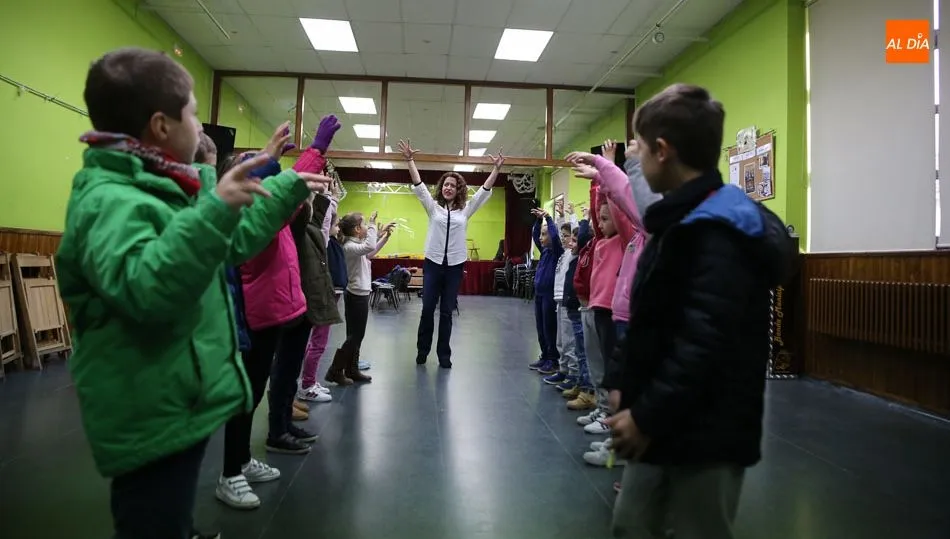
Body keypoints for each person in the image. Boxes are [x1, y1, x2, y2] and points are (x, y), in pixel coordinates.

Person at [55, 48, 330, 539]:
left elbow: (239, 240)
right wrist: (215, 208)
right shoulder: (108, 199)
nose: (200, 125)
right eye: (193, 113)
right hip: (145, 405)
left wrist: (286, 188)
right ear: (161, 126)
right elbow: (147, 289)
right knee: (150, 514)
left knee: (171, 511)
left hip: (179, 391)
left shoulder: (177, 187)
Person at [603, 83, 792, 538]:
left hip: (706, 431)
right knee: (632, 525)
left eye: (641, 149)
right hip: (662, 419)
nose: (638, 161)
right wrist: (620, 380)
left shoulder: (720, 232)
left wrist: (646, 416)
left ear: (662, 151)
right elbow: (652, 315)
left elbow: (704, 342)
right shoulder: (678, 221)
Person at [216, 116, 342, 510]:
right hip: (260, 312)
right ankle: (229, 474)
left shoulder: (264, 211)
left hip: (275, 310)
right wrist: (315, 152)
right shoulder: (251, 213)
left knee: (253, 392)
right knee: (246, 394)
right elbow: (288, 189)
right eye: (256, 168)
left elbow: (288, 192)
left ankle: (239, 460)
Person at [397, 139, 505, 368]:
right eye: (445, 184)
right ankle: (422, 350)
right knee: (427, 309)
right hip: (433, 264)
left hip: (455, 265)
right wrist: (410, 160)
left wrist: (496, 169)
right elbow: (419, 186)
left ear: (458, 191)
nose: (448, 188)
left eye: (452, 186)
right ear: (441, 187)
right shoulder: (432, 207)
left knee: (446, 311)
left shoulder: (465, 211)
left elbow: (484, 193)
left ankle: (444, 355)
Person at [327, 211, 395, 384]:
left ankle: (352, 369)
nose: (367, 227)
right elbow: (368, 247)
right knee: (355, 336)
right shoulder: (349, 246)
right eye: (364, 225)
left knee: (355, 335)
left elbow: (370, 252)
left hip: (359, 294)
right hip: (356, 295)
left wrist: (384, 238)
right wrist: (373, 224)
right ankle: (335, 370)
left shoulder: (355, 244)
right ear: (357, 229)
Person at [295, 181, 343, 402]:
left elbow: (322, 220)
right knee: (314, 343)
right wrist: (328, 197)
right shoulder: (314, 237)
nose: (337, 227)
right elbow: (324, 224)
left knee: (314, 342)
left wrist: (327, 196)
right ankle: (306, 385)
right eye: (336, 224)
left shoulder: (315, 233)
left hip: (318, 295)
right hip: (315, 296)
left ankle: (309, 381)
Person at [529, 207, 564, 375]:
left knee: (550, 327)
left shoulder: (557, 252)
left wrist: (549, 219)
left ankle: (553, 359)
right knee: (540, 327)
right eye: (542, 234)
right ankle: (544, 355)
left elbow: (556, 237)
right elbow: (535, 235)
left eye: (545, 234)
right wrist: (538, 221)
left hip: (550, 296)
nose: (541, 238)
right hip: (539, 295)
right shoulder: (544, 251)